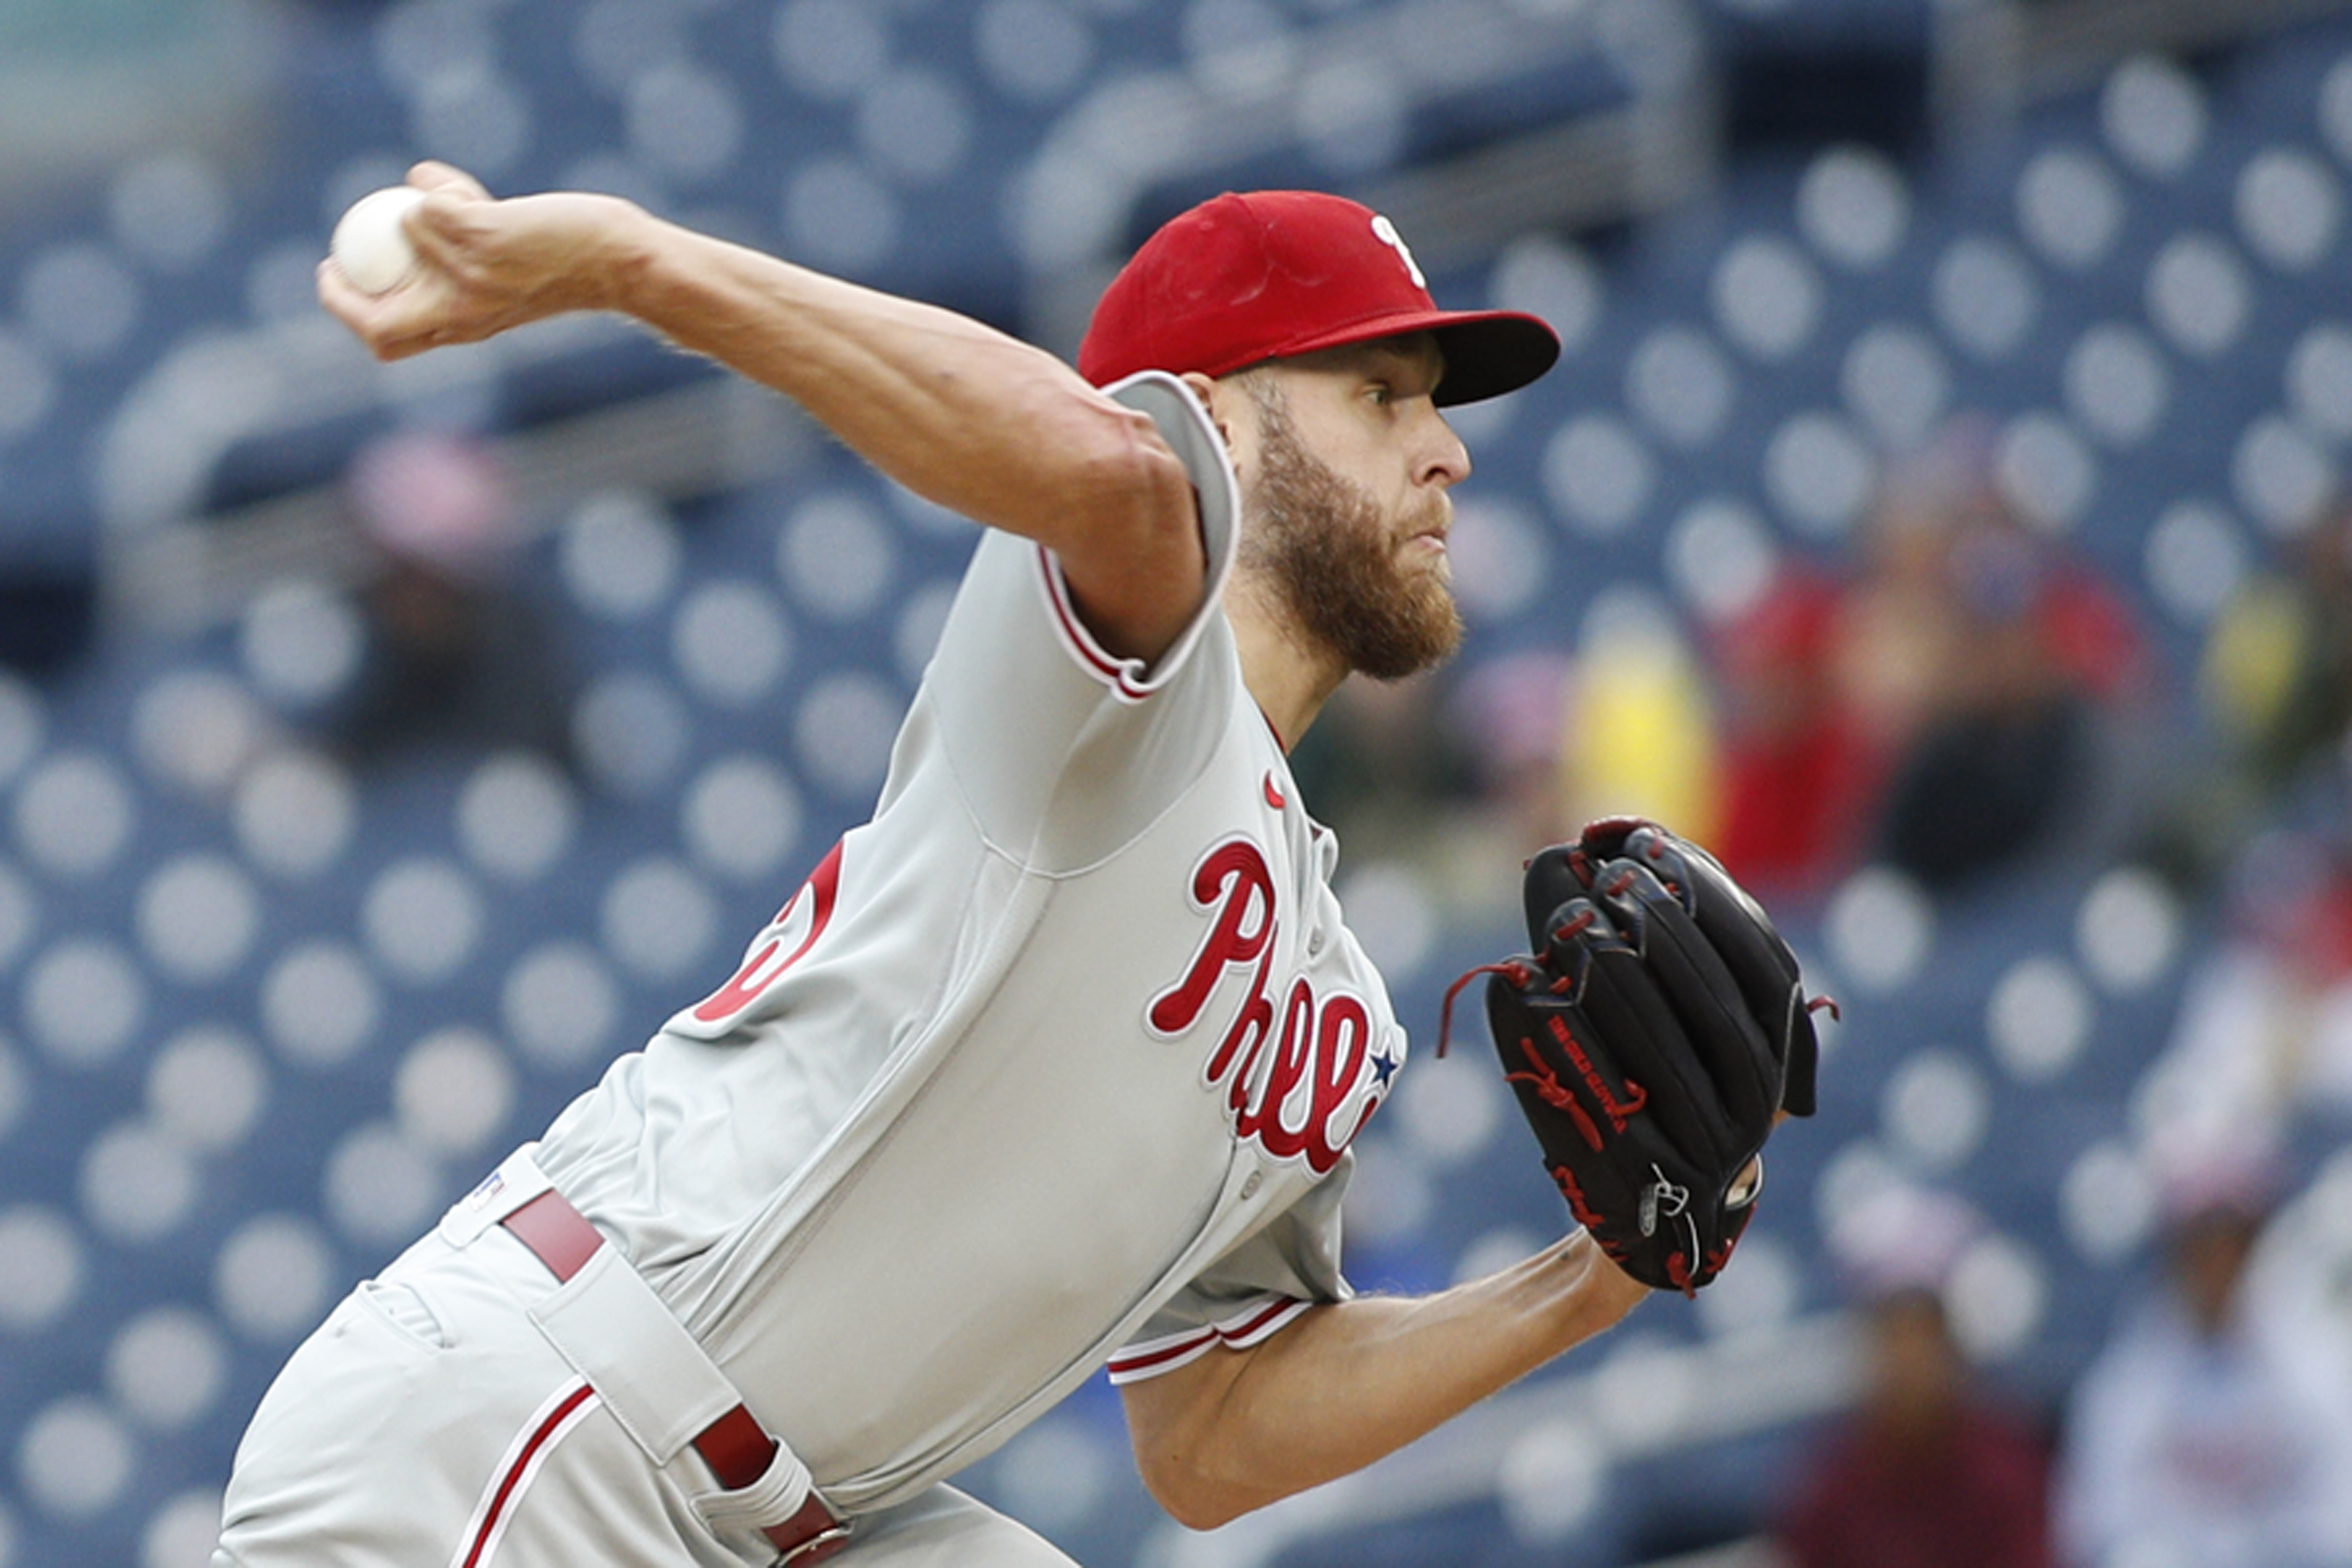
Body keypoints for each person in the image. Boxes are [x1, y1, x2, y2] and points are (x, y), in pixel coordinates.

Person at [212, 166, 1661, 1568]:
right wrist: (625, 261)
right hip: (549, 1428)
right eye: (1380, 395)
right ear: (1209, 424)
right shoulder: (1133, 686)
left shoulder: (1335, 995)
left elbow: (1210, 1434)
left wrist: (1582, 1286)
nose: (1447, 450)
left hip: (793, 1519)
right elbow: (1110, 473)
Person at [1774, 1286, 2054, 1568]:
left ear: (1950, 1361)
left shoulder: (2005, 1467)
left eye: (1921, 1354)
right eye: (1895, 1353)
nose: (1909, 1372)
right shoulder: (1837, 1476)